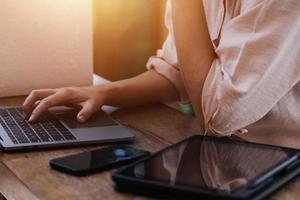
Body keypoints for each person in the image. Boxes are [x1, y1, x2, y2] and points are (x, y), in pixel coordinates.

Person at [22, 0, 300, 136]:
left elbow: (218, 117)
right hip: (225, 163)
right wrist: (103, 93)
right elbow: (178, 71)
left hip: (285, 174)